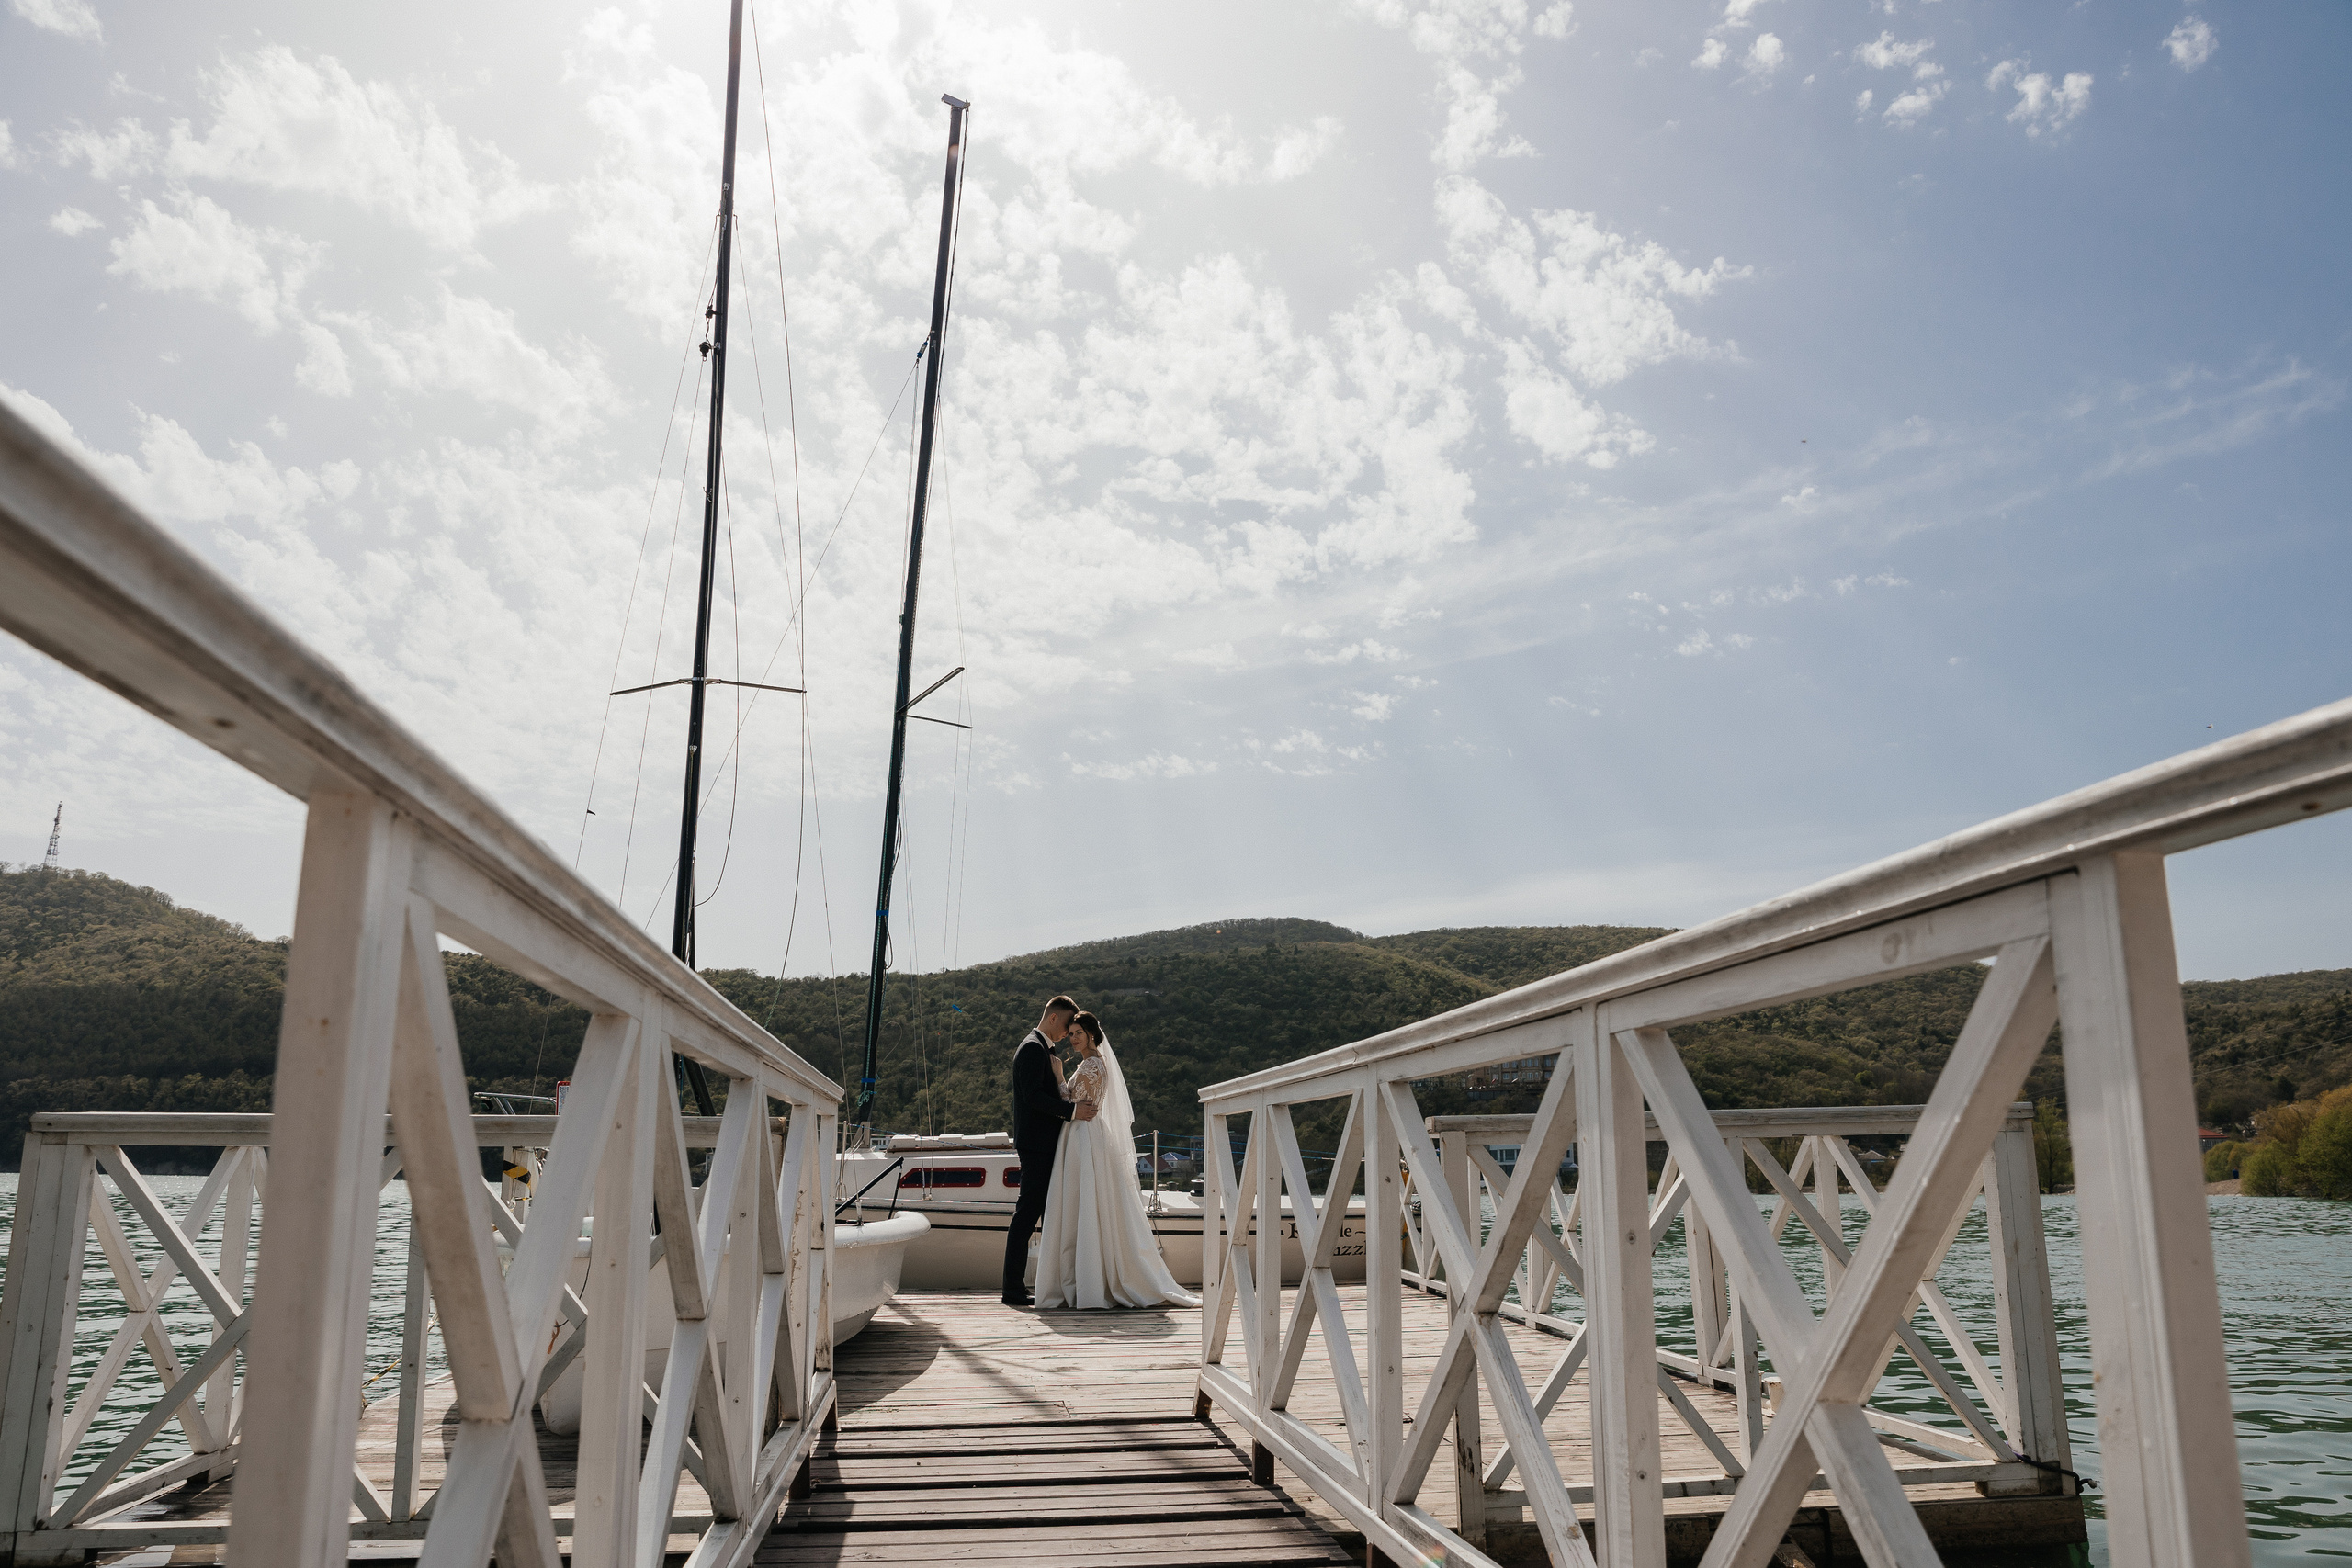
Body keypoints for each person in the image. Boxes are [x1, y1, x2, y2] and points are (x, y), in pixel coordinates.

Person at [1034, 1010, 1200, 1310]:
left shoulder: (1092, 1065)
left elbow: (1071, 1101)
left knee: (1081, 1202)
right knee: (1090, 1203)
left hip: (1083, 1135)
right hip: (1088, 1134)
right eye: (1070, 1034)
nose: (1073, 1039)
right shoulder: (1094, 1063)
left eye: (1078, 1034)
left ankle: (1089, 1281)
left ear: (1092, 1035)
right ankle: (1091, 1275)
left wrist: (1058, 1075)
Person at [1002, 995, 1096, 1306]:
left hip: (1043, 1142)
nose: (1068, 1033)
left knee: (1039, 1212)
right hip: (1036, 1144)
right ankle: (1012, 1289)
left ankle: (1040, 1284)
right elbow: (1032, 1098)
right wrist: (1071, 1112)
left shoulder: (1041, 1048)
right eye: (1067, 1025)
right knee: (1027, 1213)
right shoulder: (1032, 1048)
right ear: (1054, 1018)